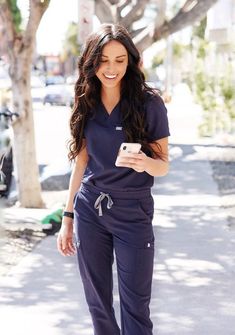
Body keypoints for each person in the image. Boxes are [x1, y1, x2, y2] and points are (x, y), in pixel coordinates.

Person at [57, 23, 170, 335]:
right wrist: (68, 217)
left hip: (133, 212)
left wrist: (145, 161)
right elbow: (81, 161)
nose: (112, 68)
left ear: (130, 62)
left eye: (120, 60)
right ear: (92, 62)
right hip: (89, 210)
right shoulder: (84, 99)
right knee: (98, 305)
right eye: (104, 60)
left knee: (136, 309)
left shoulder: (149, 103)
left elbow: (162, 166)